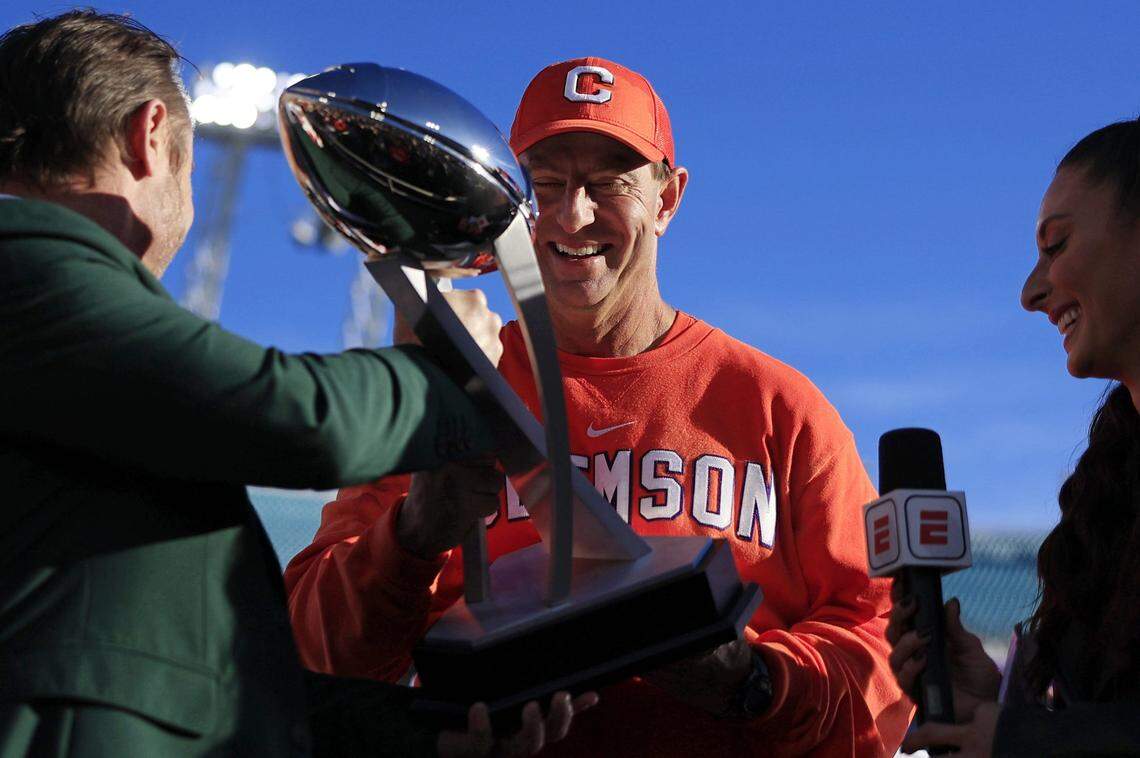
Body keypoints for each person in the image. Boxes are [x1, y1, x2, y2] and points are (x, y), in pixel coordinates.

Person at [0, 11, 591, 757]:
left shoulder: (88, 385)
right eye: (188, 162)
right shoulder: (26, 261)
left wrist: (441, 733)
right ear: (150, 135)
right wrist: (443, 373)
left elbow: (224, 678)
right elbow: (291, 415)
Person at [285, 56, 912, 756]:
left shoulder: (777, 408)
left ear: (668, 199)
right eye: (546, 183)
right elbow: (315, 654)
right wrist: (411, 535)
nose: (571, 214)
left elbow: (881, 642)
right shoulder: (444, 389)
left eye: (607, 183)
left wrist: (754, 683)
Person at [887, 117, 1140, 757]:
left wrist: (1029, 743)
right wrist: (993, 702)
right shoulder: (1109, 484)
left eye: (1055, 247)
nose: (1031, 293)